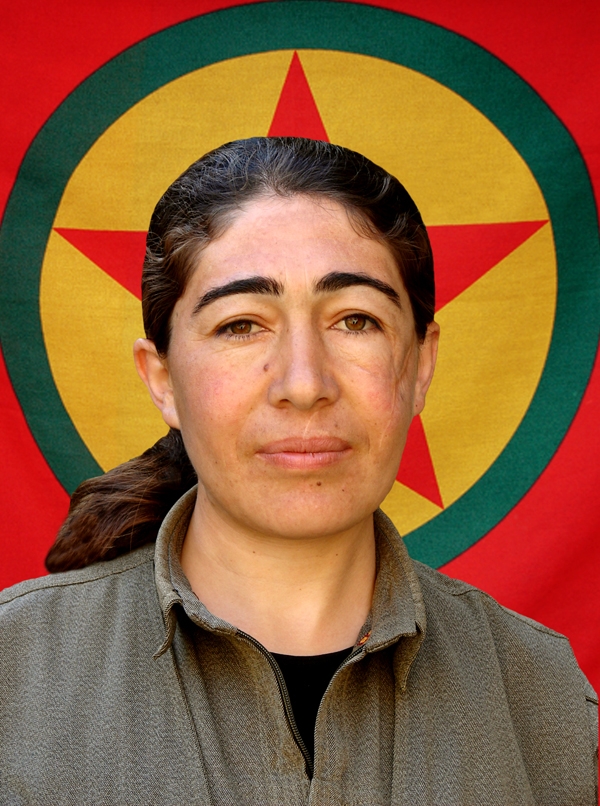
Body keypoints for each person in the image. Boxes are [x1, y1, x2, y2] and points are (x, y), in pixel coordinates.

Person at [0, 137, 596, 805]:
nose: (305, 383)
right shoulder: (11, 676)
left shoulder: (541, 693)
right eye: (241, 325)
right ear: (162, 379)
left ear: (419, 365)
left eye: (355, 320)